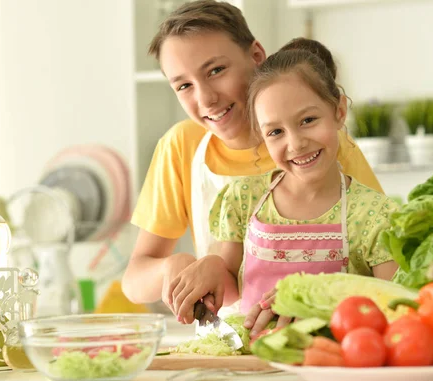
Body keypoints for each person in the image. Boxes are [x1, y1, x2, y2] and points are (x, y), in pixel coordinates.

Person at [122, 0, 384, 323]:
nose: (205, 98)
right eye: (184, 85)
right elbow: (133, 280)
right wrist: (170, 267)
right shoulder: (181, 146)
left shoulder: (320, 145)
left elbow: (383, 246)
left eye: (216, 70)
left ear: (256, 56)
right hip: (230, 345)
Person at [170, 37, 400, 336]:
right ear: (262, 136)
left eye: (308, 120)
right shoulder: (243, 199)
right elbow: (230, 283)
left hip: (335, 366)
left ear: (339, 111)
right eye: (276, 131)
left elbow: (396, 309)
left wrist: (319, 298)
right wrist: (211, 267)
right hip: (256, 364)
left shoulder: (376, 215)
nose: (296, 143)